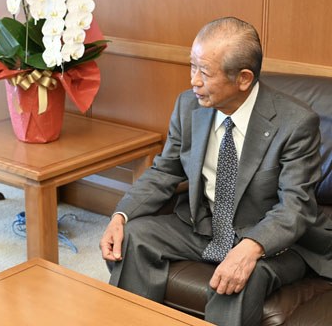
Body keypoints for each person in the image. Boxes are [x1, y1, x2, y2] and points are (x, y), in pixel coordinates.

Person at [100, 17, 332, 326]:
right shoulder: (188, 106)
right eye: (192, 66)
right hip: (206, 226)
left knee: (237, 280)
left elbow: (295, 206)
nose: (194, 80)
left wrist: (250, 248)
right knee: (133, 238)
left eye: (204, 72)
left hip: (274, 240)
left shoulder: (295, 123)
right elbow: (164, 171)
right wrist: (121, 215)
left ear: (244, 79)